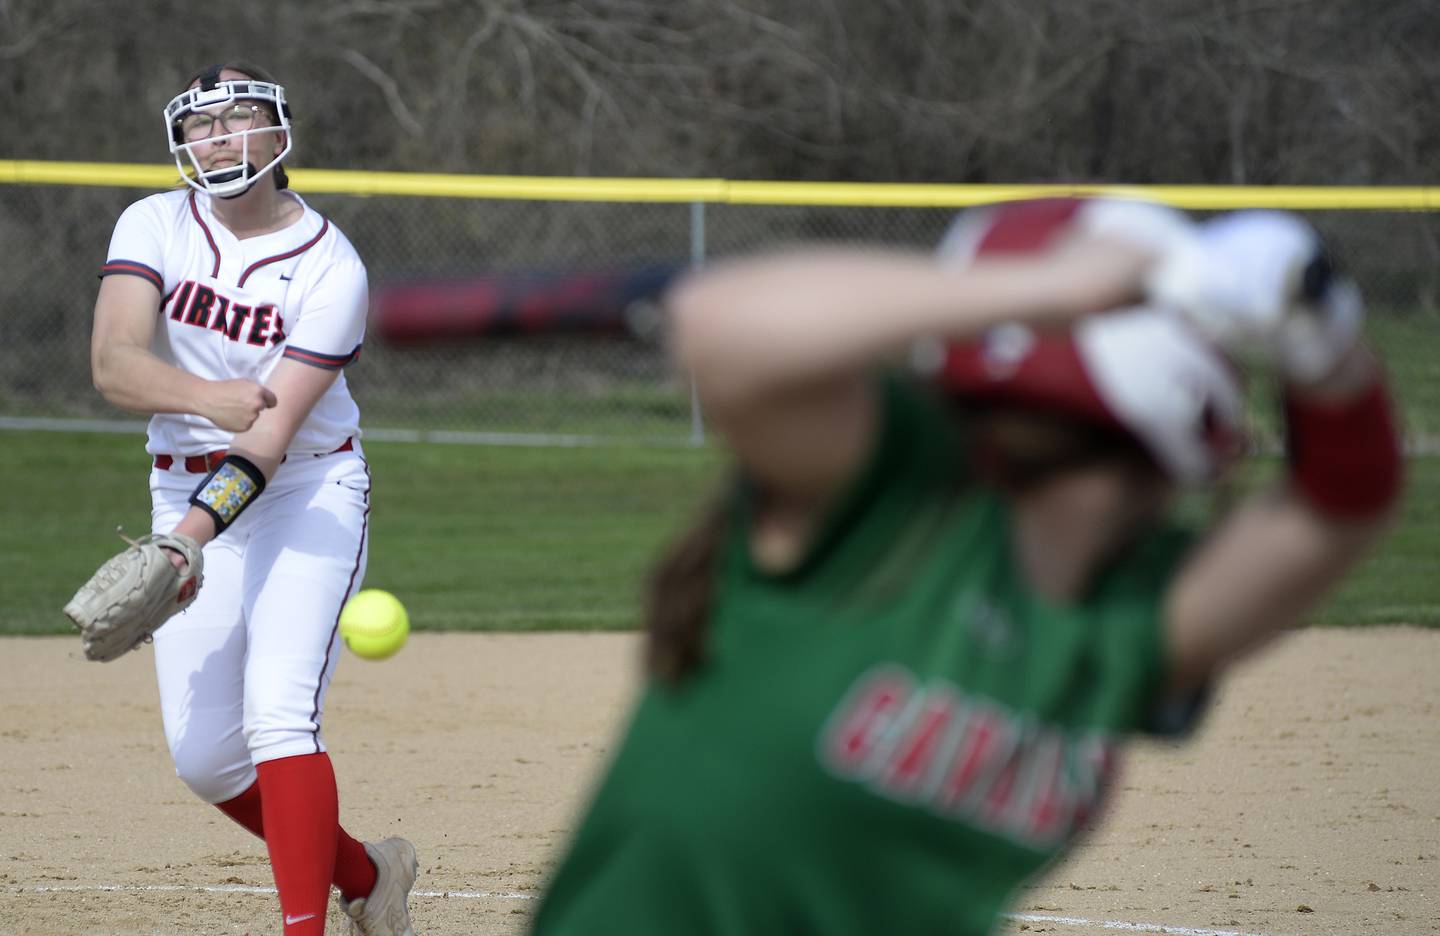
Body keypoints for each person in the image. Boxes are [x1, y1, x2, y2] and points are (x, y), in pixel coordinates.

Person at [529, 197, 1403, 935]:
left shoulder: (1127, 615)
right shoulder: (898, 497)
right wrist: (1066, 284)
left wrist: (1319, 327)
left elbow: (1343, 502)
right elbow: (714, 326)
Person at [86, 62, 419, 935]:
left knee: (278, 716)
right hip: (181, 492)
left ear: (279, 134)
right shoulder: (154, 220)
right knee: (205, 760)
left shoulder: (329, 266)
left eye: (239, 119)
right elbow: (113, 364)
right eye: (201, 126)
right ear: (180, 143)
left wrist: (181, 544)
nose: (218, 137)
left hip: (306, 489)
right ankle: (369, 874)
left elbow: (267, 443)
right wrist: (204, 412)